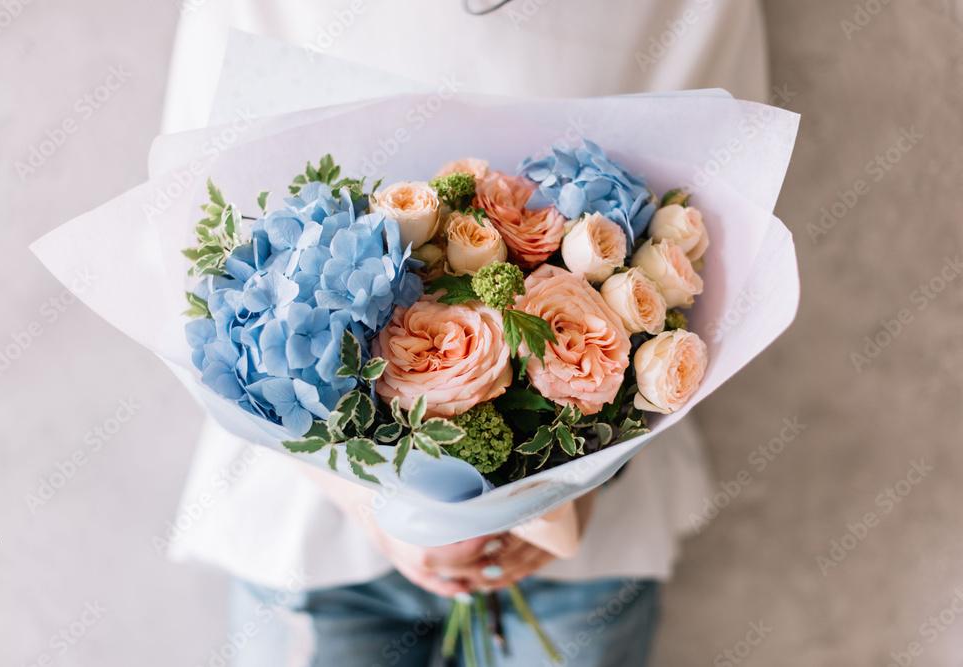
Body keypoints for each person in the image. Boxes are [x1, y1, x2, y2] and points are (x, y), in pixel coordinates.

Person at [160, 1, 770, 665]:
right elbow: (189, 231)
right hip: (315, 533)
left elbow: (727, 198)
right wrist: (366, 499)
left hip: (585, 541)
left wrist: (577, 494)